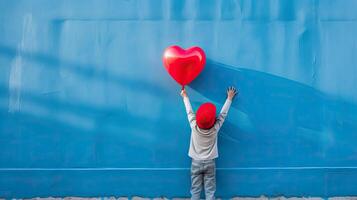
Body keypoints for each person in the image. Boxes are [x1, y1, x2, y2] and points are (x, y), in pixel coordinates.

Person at [181, 87, 238, 200]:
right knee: (210, 191)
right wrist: (229, 98)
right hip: (210, 163)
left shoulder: (194, 125)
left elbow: (189, 111)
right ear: (213, 121)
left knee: (195, 191)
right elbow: (223, 114)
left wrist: (185, 96)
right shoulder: (215, 128)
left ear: (197, 119)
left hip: (195, 162)